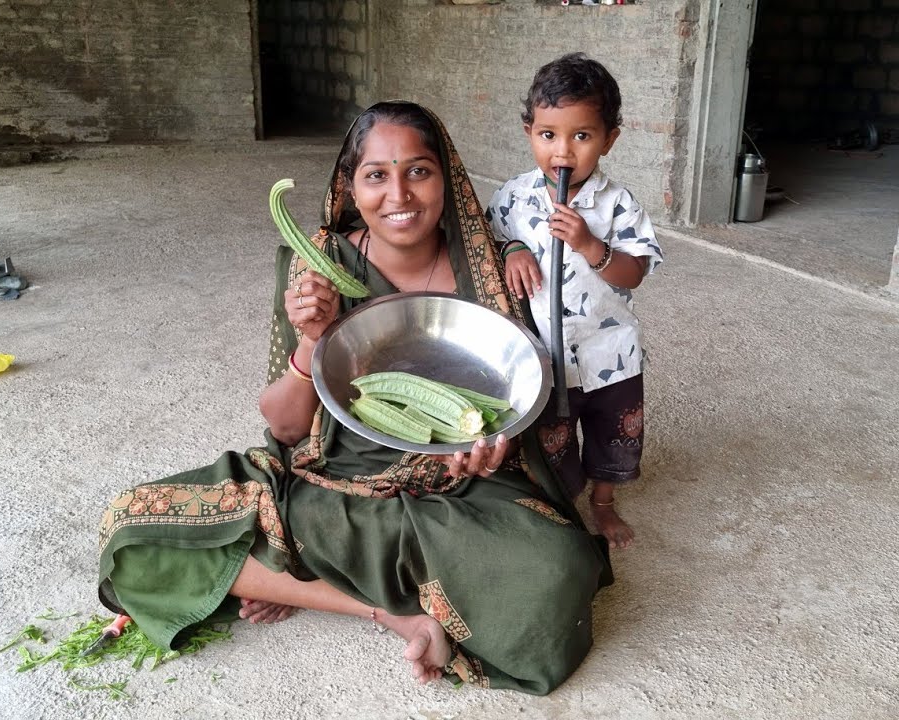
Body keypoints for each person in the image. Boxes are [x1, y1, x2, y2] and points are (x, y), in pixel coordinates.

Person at [96, 101, 611, 695]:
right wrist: (313, 343)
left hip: (464, 492)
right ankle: (390, 611)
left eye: (419, 171)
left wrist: (492, 452)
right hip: (330, 486)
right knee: (133, 527)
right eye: (376, 175)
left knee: (558, 571)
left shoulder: (494, 270)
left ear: (448, 179)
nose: (400, 194)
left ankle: (293, 574)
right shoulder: (319, 266)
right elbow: (288, 430)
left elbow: (516, 404)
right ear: (351, 186)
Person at [486, 53, 663, 550]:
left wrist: (591, 246)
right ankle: (563, 502)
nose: (563, 152)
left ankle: (604, 502)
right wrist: (514, 247)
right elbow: (489, 233)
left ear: (610, 138)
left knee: (614, 435)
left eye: (582, 136)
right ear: (529, 132)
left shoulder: (618, 204)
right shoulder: (515, 196)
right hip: (546, 357)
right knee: (552, 441)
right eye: (549, 135)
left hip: (611, 356)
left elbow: (637, 270)